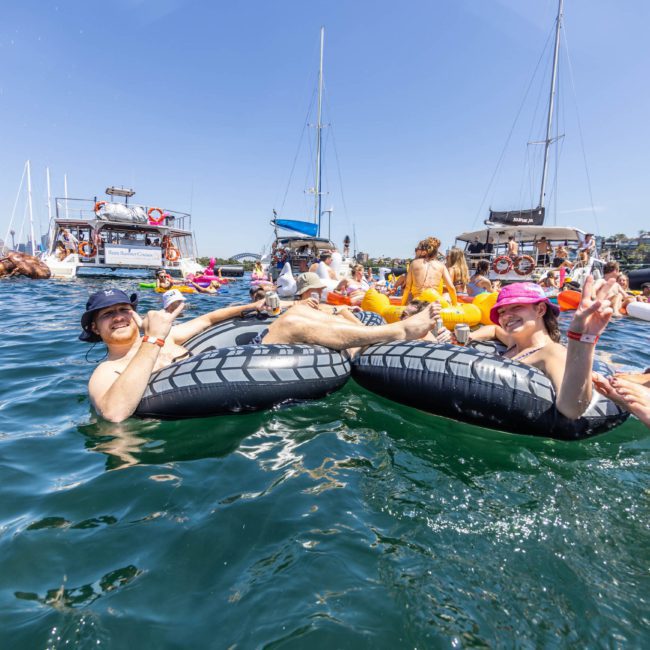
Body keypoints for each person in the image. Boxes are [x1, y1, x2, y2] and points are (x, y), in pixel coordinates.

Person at [81, 289, 266, 423]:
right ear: (95, 328)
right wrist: (153, 339)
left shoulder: (168, 335)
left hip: (245, 393)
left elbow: (208, 319)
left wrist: (254, 306)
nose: (118, 317)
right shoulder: (105, 372)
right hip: (192, 423)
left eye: (124, 310)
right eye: (108, 313)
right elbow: (114, 413)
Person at [467, 277, 619, 420]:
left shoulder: (551, 353)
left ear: (540, 310)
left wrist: (582, 340)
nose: (506, 316)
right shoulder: (515, 343)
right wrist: (469, 337)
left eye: (516, 307)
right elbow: (493, 329)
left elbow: (572, 410)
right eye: (501, 312)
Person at [402, 237, 457, 305]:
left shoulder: (414, 263)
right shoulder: (441, 265)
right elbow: (451, 288)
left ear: (424, 251)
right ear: (436, 252)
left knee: (410, 296)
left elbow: (407, 288)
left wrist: (402, 305)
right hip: (434, 302)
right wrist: (455, 305)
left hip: (418, 301)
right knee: (447, 295)